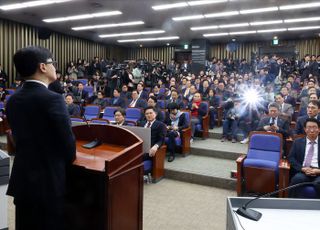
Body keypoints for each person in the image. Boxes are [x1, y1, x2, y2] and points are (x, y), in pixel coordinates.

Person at [6, 46, 76, 230]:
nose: (55, 68)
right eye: (53, 63)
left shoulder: (12, 99)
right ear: (43, 67)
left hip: (22, 179)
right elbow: (68, 146)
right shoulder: (53, 99)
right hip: (47, 182)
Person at [288, 118, 320, 198]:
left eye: (314, 127)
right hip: (303, 171)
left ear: (319, 129)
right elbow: (291, 158)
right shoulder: (297, 142)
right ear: (305, 129)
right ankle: (291, 205)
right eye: (309, 127)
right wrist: (302, 169)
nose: (312, 130)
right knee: (296, 180)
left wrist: (318, 170)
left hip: (319, 172)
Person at [140, 106, 166, 174]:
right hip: (140, 147)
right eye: (146, 114)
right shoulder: (141, 123)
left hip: (150, 149)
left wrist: (156, 146)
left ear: (155, 114)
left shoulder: (160, 125)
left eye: (151, 113)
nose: (148, 115)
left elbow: (162, 139)